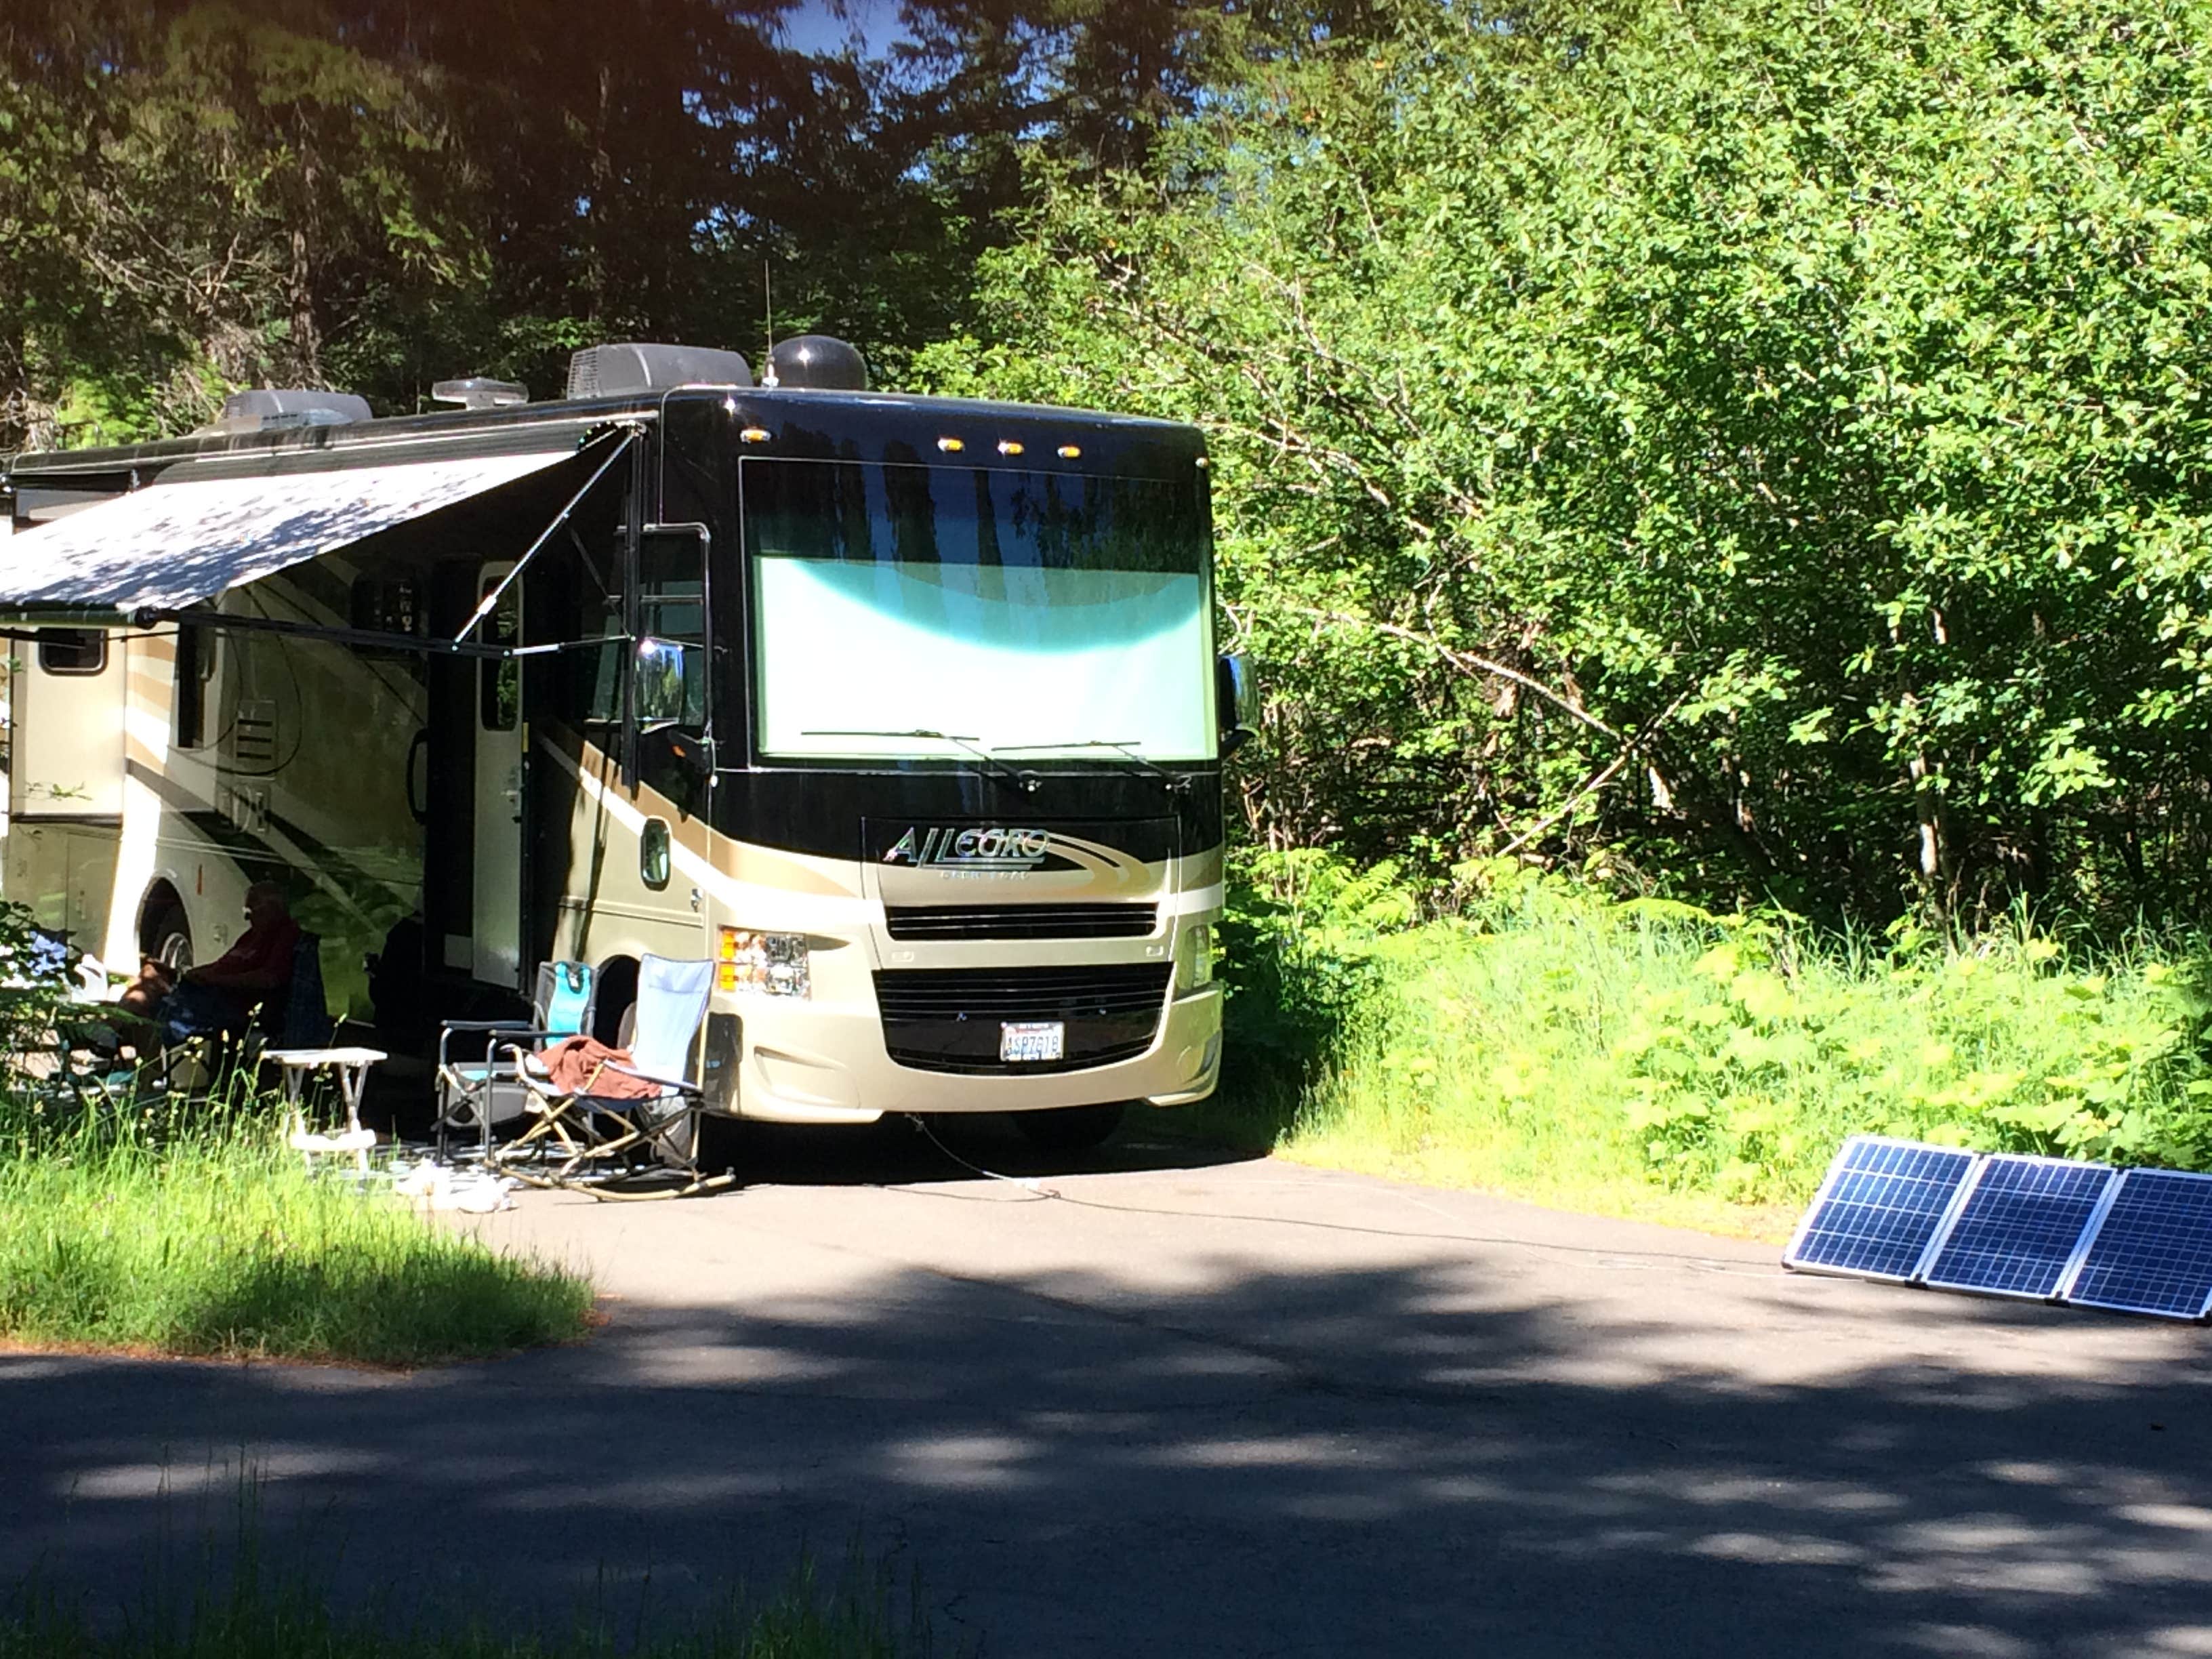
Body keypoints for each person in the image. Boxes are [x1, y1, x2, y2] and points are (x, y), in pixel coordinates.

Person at [120, 882, 300, 1040]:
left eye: (250, 910)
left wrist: (216, 981)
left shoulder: (284, 937)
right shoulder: (251, 936)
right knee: (150, 973)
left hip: (227, 1001)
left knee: (146, 998)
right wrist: (197, 974)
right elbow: (222, 964)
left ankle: (112, 1039)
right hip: (210, 989)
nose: (247, 917)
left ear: (272, 908)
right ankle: (114, 1039)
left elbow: (269, 979)